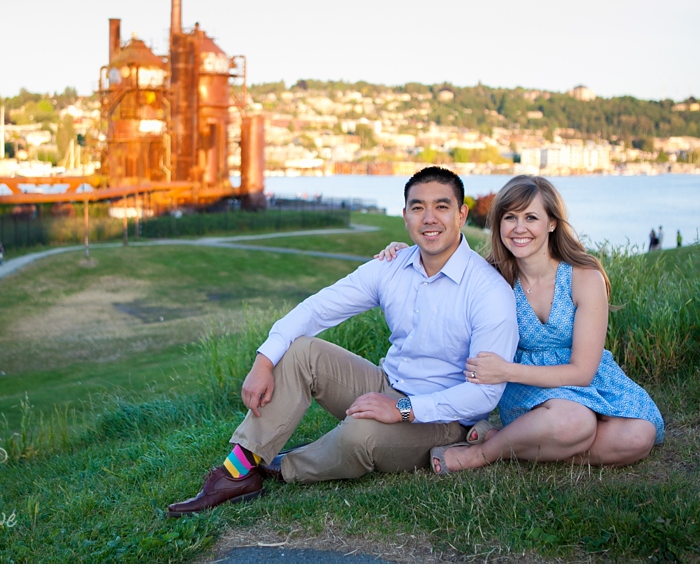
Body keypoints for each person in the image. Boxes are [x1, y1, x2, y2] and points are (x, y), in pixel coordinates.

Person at [166, 167, 519, 517]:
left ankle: (283, 465)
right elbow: (317, 309)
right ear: (405, 216)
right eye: (417, 207)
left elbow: (484, 394)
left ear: (461, 215)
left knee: (357, 438)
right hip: (384, 384)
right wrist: (264, 360)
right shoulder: (391, 266)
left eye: (441, 207)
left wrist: (401, 410)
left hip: (443, 418)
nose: (429, 218)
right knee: (302, 350)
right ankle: (238, 471)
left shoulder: (488, 292)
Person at [377, 175, 663, 474]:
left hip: (579, 378)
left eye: (531, 217)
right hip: (528, 389)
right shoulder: (491, 277)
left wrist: (507, 370)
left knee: (639, 437)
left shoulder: (583, 277)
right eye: (510, 217)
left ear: (552, 222)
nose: (519, 228)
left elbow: (583, 372)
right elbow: (437, 263)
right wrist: (402, 251)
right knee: (576, 423)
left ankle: (508, 441)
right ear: (499, 224)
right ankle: (484, 454)